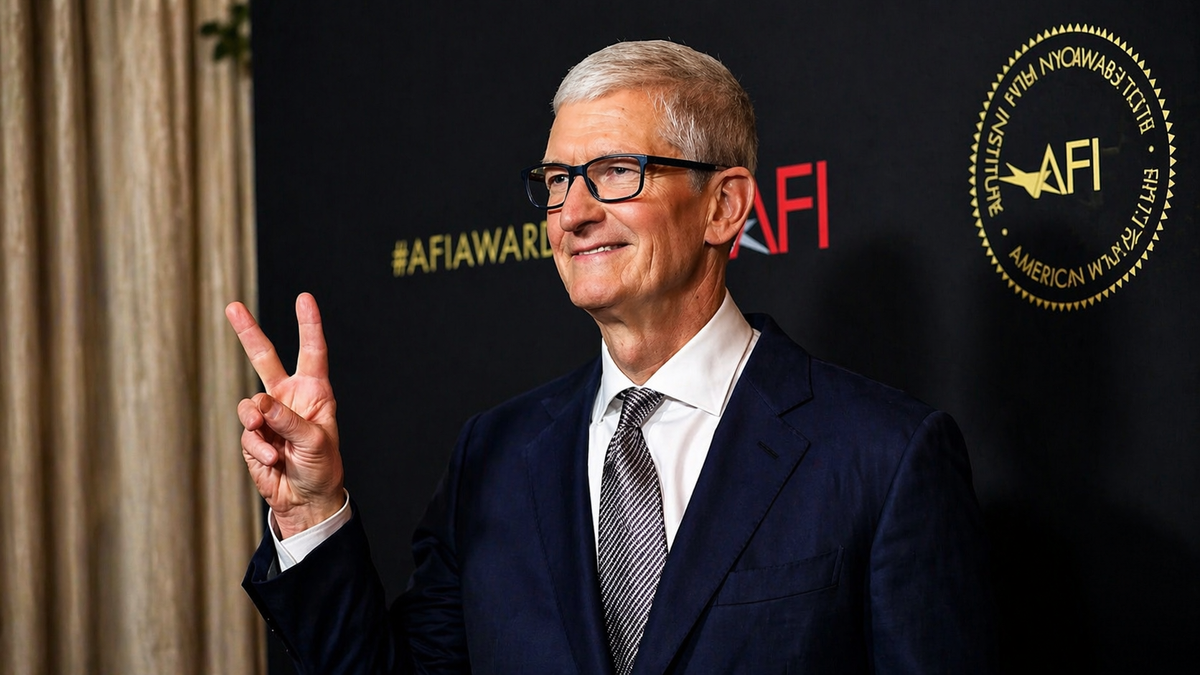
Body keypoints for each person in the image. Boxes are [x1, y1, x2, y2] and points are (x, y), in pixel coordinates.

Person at [227, 40, 997, 674]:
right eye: (557, 181)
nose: (574, 213)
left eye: (616, 172)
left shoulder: (883, 457)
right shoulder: (493, 457)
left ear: (724, 205)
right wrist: (311, 510)